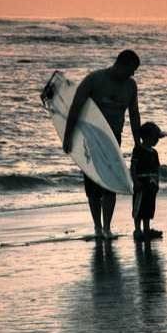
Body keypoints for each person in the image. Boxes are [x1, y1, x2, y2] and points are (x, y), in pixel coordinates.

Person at [63, 50, 142, 239]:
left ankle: (107, 227)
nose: (132, 75)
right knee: (93, 185)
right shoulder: (94, 80)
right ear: (120, 64)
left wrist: (137, 141)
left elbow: (134, 114)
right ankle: (97, 227)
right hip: (90, 141)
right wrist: (68, 136)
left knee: (111, 182)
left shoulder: (130, 86)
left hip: (114, 140)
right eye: (131, 70)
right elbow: (75, 107)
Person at [130, 121, 166, 242]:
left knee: (149, 207)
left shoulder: (154, 153)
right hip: (141, 182)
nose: (157, 141)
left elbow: (157, 169)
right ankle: (137, 229)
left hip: (151, 183)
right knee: (138, 207)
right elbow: (133, 167)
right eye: (155, 138)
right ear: (147, 137)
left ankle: (146, 228)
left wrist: (157, 182)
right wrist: (135, 181)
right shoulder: (138, 149)